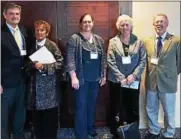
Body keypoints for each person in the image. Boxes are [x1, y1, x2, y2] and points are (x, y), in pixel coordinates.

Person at [65, 13, 107, 139]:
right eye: (84, 22)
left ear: (93, 23)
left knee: (91, 105)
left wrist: (104, 75)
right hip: (81, 80)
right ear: (80, 24)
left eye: (89, 21)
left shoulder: (98, 40)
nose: (87, 24)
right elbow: (70, 59)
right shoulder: (74, 39)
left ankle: (90, 128)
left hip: (95, 79)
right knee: (81, 106)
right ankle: (81, 134)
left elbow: (103, 58)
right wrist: (73, 77)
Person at [107, 14, 146, 138]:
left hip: (133, 81)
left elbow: (143, 61)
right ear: (118, 27)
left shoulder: (138, 41)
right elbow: (110, 61)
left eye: (127, 24)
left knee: (132, 106)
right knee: (116, 105)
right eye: (122, 25)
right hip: (116, 81)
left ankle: (131, 131)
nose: (125, 27)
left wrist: (133, 76)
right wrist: (121, 78)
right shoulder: (113, 41)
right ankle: (116, 132)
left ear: (131, 26)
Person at [24, 20, 64, 139]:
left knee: (49, 124)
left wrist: (44, 67)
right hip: (34, 91)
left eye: (42, 30)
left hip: (49, 91)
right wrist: (32, 66)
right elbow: (25, 66)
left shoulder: (52, 45)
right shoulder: (31, 45)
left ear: (47, 32)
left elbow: (61, 64)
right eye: (37, 30)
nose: (39, 32)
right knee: (37, 124)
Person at [144, 13, 180, 139]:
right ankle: (154, 130)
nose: (159, 24)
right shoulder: (147, 41)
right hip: (151, 80)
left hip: (168, 82)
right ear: (153, 24)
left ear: (167, 23)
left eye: (162, 21)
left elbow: (179, 63)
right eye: (157, 22)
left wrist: (170, 74)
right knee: (151, 108)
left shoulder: (176, 40)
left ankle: (169, 133)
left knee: (169, 111)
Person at [1, 3, 29, 139]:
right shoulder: (1, 34)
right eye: (11, 13)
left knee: (20, 114)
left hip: (22, 80)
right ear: (4, 15)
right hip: (5, 83)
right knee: (3, 117)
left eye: (17, 14)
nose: (14, 16)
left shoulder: (23, 31)